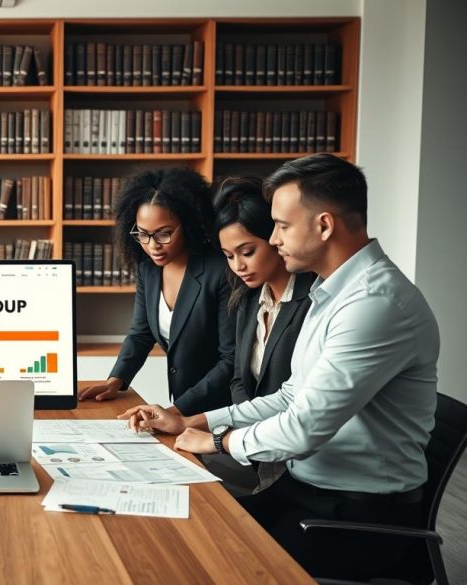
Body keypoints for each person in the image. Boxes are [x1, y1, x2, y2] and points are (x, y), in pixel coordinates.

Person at [121, 154, 439, 582]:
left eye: (282, 226)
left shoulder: (375, 304)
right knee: (178, 535)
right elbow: (290, 396)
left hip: (356, 514)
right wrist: (189, 420)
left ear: (324, 225)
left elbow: (303, 427)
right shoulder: (334, 293)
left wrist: (217, 441)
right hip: (307, 490)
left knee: (202, 562)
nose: (274, 238)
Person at [78, 167, 235, 415]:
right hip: (180, 407)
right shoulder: (148, 269)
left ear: (189, 223)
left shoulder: (220, 271)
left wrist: (175, 411)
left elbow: (231, 360)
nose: (153, 246)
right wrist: (115, 381)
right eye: (142, 234)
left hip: (222, 409)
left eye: (164, 234)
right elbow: (141, 334)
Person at [207, 177, 316, 494]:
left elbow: (296, 398)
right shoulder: (249, 298)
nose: (238, 265)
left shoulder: (314, 301)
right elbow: (240, 378)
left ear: (275, 238)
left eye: (247, 251)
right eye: (229, 256)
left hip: (293, 458)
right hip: (253, 447)